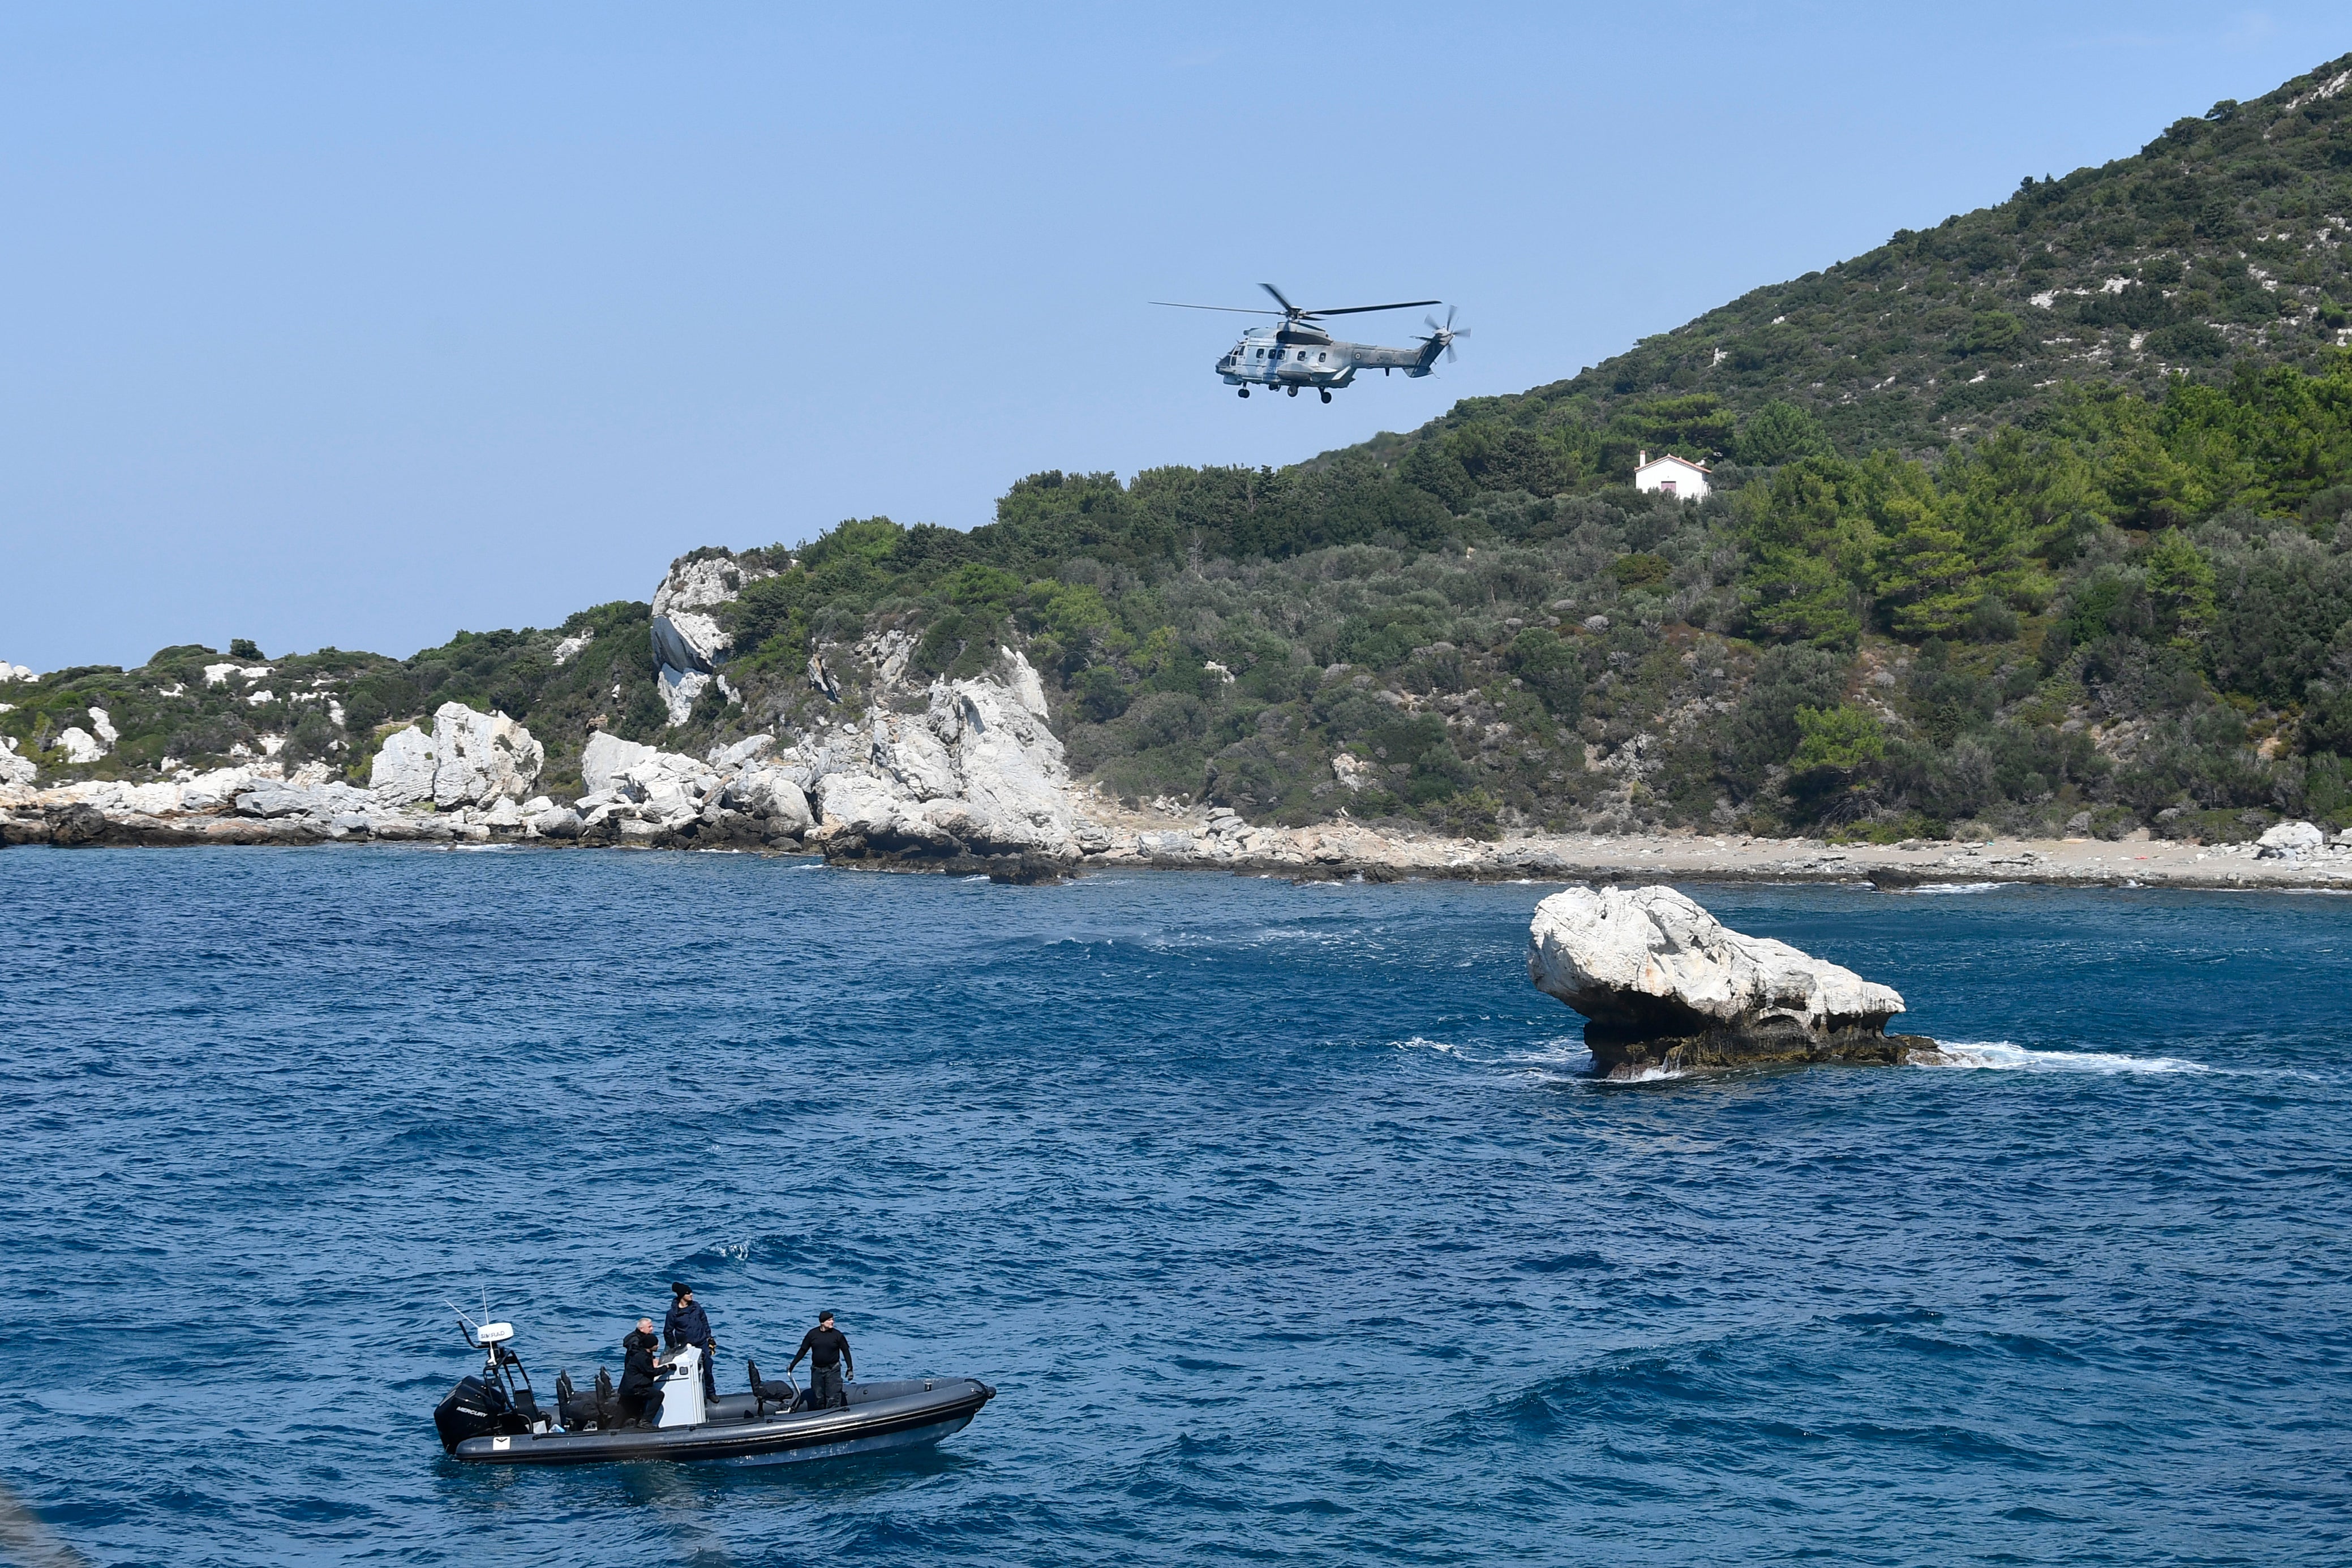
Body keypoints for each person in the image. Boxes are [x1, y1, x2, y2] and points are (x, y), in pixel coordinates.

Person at [788, 1310, 853, 1410]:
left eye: (833, 1320)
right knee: (819, 1398)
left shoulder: (838, 1335)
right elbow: (803, 1351)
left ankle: (833, 1418)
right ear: (823, 1322)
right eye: (830, 1320)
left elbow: (846, 1351)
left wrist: (850, 1368)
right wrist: (793, 1365)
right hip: (817, 1371)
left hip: (833, 1371)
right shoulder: (812, 1334)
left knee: (833, 1398)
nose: (832, 1322)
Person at [664, 1282, 719, 1401]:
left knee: (708, 1367)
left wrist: (709, 1338)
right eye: (688, 1293)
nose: (691, 1295)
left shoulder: (696, 1307)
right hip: (686, 1347)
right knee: (691, 1372)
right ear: (682, 1295)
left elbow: (704, 1322)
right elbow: (668, 1332)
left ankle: (711, 1393)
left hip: (702, 1342)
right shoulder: (673, 1314)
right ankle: (695, 1397)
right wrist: (674, 1346)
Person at [617, 1317, 664, 1428]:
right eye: (650, 1327)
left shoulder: (644, 1342)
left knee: (629, 1407)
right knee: (655, 1396)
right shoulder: (636, 1343)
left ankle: (636, 1421)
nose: (652, 1329)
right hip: (636, 1382)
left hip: (634, 1380)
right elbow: (638, 1354)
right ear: (641, 1328)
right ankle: (644, 1422)